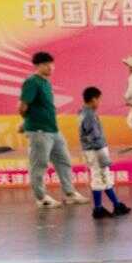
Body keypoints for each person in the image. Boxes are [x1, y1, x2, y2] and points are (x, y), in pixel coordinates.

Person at [20, 51, 87, 209]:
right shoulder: (32, 82)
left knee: (64, 160)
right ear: (37, 66)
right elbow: (22, 107)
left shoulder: (46, 83)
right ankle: (42, 198)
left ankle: (69, 193)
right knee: (39, 164)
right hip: (39, 131)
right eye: (46, 64)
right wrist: (29, 123)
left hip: (53, 130)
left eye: (51, 64)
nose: (50, 67)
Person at [79, 87, 131, 220]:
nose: (100, 103)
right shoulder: (89, 115)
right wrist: (102, 154)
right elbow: (94, 136)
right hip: (96, 150)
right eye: (99, 100)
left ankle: (116, 205)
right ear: (93, 99)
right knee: (99, 178)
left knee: (105, 178)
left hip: (93, 150)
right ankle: (98, 209)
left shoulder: (83, 112)